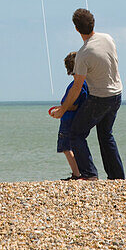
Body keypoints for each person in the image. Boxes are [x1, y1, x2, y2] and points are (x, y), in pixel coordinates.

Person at [50, 8, 124, 180]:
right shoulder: (108, 38)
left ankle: (89, 174)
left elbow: (77, 87)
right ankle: (117, 178)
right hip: (117, 94)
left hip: (100, 98)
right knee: (106, 135)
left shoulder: (83, 54)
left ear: (76, 29)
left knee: (76, 134)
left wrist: (62, 110)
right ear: (93, 23)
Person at [54, 52, 89, 180]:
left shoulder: (77, 85)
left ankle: (77, 173)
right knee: (71, 147)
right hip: (71, 118)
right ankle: (78, 173)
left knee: (66, 148)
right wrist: (62, 108)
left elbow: (74, 105)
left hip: (69, 120)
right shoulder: (82, 84)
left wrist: (61, 110)